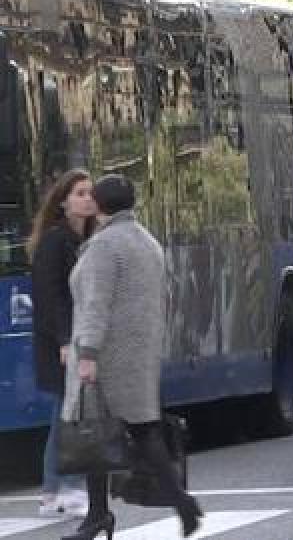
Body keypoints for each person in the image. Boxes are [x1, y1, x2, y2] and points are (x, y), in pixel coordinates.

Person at [62, 175, 203, 540]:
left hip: (107, 355)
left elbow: (96, 304)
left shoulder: (104, 247)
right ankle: (115, 513)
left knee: (97, 436)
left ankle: (106, 515)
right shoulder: (148, 243)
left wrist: (88, 353)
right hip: (139, 354)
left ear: (100, 205)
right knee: (142, 431)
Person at [29, 169, 95, 518]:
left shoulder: (88, 238)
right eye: (80, 193)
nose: (88, 198)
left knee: (67, 414)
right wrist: (64, 340)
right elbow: (51, 294)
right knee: (67, 415)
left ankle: (55, 490)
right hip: (64, 340)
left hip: (81, 337)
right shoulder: (56, 241)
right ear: (64, 202)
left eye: (90, 192)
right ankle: (63, 488)